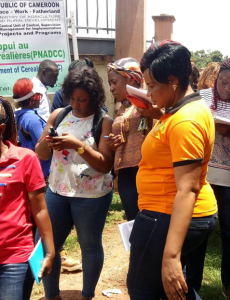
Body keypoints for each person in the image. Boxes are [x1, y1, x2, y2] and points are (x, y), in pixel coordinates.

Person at [126, 40, 218, 300]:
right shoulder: (184, 110)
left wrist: (171, 256)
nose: (149, 93)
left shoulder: (185, 121)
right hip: (168, 213)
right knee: (171, 291)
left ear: (173, 80)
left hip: (165, 214)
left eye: (152, 86)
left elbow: (187, 188)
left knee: (144, 291)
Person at [35, 67, 114, 300]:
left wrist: (77, 145)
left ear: (94, 98)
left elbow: (105, 164)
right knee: (48, 246)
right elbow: (41, 154)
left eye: (82, 100)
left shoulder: (103, 121)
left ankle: (87, 295)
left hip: (91, 197)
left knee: (89, 245)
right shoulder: (58, 115)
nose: (76, 104)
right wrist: (49, 142)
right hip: (57, 191)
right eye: (73, 98)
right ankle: (52, 295)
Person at [188, 57, 230, 300]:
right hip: (201, 174)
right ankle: (192, 283)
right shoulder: (200, 97)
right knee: (198, 229)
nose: (227, 89)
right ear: (216, 79)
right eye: (223, 83)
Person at [0, 97, 54, 300]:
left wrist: (49, 252)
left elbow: (39, 209)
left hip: (14, 257)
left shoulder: (25, 159)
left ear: (1, 128)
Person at [106, 57, 162, 221]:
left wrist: (155, 114)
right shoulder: (122, 107)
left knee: (149, 221)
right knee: (133, 220)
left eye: (114, 82)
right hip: (125, 174)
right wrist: (113, 144)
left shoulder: (152, 102)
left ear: (130, 78)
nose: (111, 88)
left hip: (146, 172)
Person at [13, 78, 51, 179]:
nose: (40, 99)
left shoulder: (20, 116)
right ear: (31, 99)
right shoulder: (31, 119)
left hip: (31, 168)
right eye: (38, 96)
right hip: (42, 171)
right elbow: (43, 146)